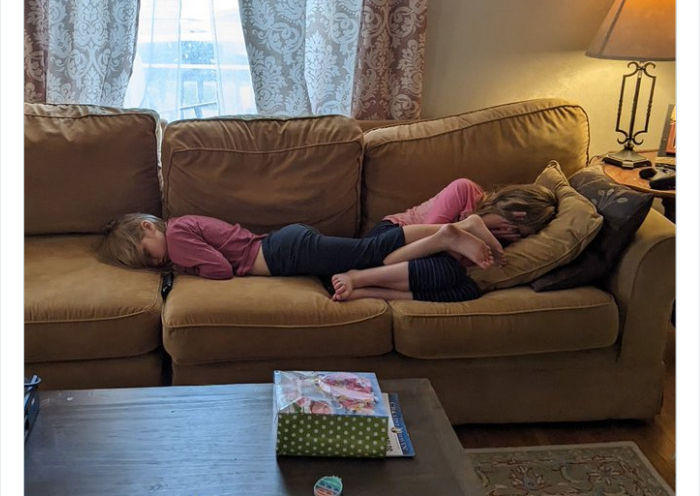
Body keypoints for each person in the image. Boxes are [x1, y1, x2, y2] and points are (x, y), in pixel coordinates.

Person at [98, 213, 505, 291]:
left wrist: (186, 269)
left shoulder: (177, 235)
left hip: (284, 254)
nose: (155, 262)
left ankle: (452, 232)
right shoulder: (182, 228)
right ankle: (452, 234)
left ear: (148, 227)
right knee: (370, 253)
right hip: (286, 246)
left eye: (147, 254)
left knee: (370, 251)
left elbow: (220, 270)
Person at [331, 184, 557, 302]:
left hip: (405, 266)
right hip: (393, 237)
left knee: (465, 287)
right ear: (516, 213)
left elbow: (452, 270)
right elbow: (424, 246)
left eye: (519, 236)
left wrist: (484, 236)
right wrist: (472, 227)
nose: (510, 235)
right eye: (515, 229)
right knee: (444, 262)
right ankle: (358, 278)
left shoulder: (498, 241)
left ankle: (367, 290)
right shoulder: (465, 191)